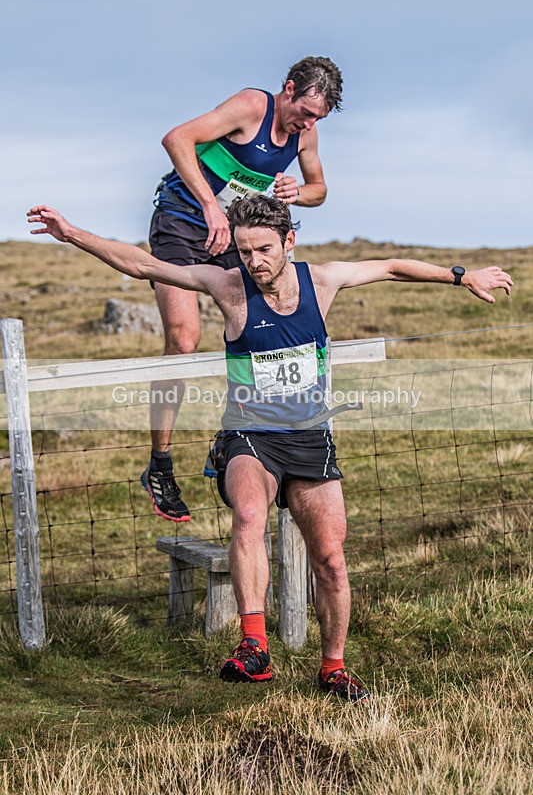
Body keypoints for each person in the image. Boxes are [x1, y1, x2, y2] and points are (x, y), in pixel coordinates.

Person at [27, 197, 513, 702]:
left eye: (263, 250)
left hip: (309, 438)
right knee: (249, 515)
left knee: (331, 560)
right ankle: (254, 646)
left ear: (288, 242)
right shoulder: (229, 287)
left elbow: (391, 267)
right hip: (249, 436)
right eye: (243, 251)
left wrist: (462, 275)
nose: (253, 262)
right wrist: (72, 234)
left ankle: (333, 669)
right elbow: (147, 265)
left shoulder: (321, 281)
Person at [145, 56, 343, 524]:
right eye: (305, 111)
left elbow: (320, 189)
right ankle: (160, 462)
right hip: (184, 222)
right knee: (184, 337)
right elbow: (176, 138)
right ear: (289, 88)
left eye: (317, 118)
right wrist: (211, 206)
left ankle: (246, 443)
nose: (308, 124)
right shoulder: (251, 106)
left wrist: (299, 192)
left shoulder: (306, 133)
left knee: (264, 329)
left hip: (236, 238)